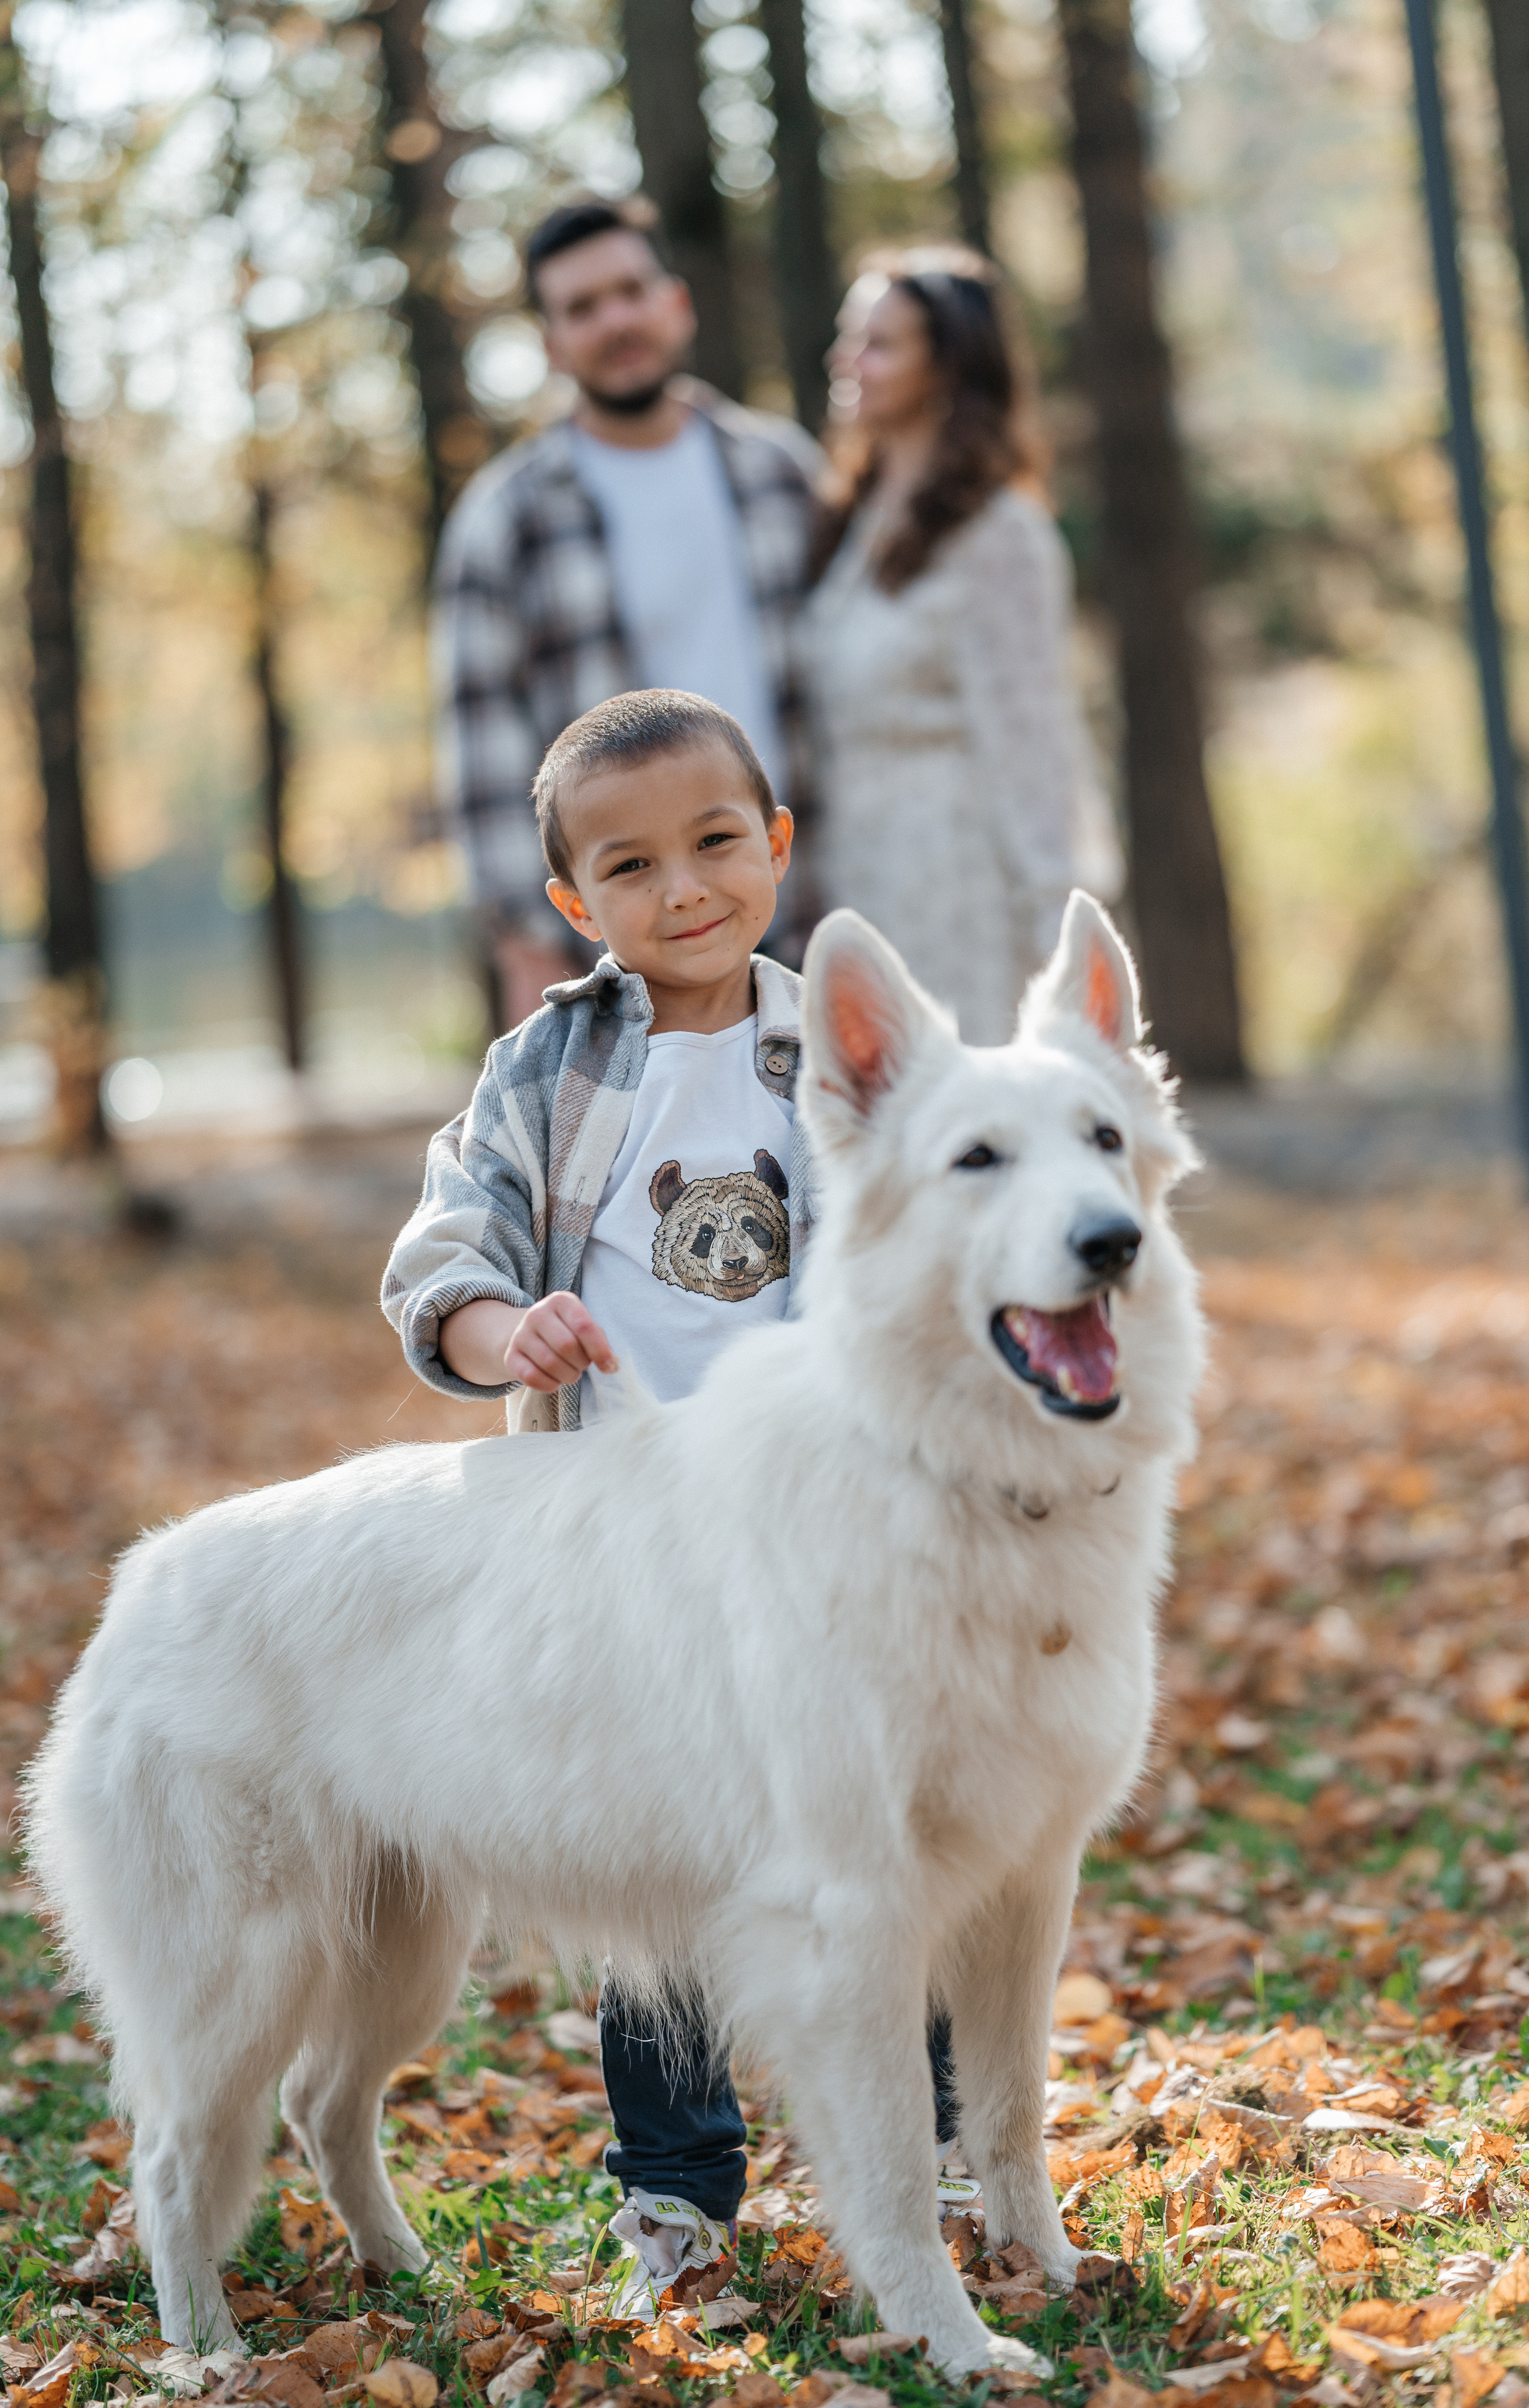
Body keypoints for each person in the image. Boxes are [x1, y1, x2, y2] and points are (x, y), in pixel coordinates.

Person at [381, 689, 969, 2313]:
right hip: (620, 1529)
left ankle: (923, 2160)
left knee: (880, 1847)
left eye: (718, 840)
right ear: (576, 902)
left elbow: (946, 1223)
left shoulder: (861, 1040)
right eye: (630, 863)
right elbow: (445, 1249)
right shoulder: (549, 1061)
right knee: (661, 1855)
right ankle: (679, 2193)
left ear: (776, 845)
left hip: (835, 1528)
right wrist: (510, 1328)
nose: (685, 884)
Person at [434, 195, 822, 1030]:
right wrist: (529, 953)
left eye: (630, 291)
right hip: (620, 952)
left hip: (803, 918)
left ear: (674, 302)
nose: (615, 320)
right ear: (552, 344)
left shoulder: (783, 475)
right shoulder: (506, 520)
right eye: (582, 308)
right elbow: (484, 760)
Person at [803, 248, 1122, 1045]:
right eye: (850, 337)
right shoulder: (858, 518)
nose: (850, 360)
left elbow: (1033, 740)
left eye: (881, 343)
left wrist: (1058, 927)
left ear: (947, 365)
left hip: (960, 886)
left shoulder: (999, 534)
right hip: (859, 875)